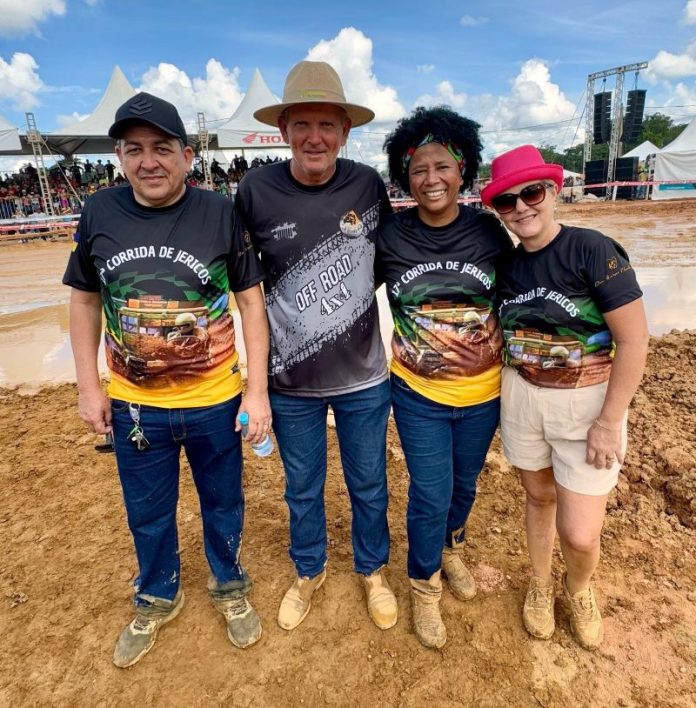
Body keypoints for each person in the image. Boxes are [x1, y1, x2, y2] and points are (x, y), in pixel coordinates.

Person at [63, 92, 271, 667]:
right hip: (135, 407)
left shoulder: (220, 212)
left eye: (161, 148)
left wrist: (256, 392)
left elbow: (251, 303)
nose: (148, 161)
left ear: (186, 156)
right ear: (120, 158)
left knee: (223, 502)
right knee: (147, 511)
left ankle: (228, 583)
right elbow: (84, 301)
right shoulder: (99, 211)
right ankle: (158, 594)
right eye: (134, 150)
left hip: (215, 400)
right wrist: (88, 386)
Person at [235, 60, 397, 632]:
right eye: (302, 124)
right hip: (290, 383)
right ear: (283, 129)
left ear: (345, 131)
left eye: (327, 124)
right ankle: (309, 570)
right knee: (301, 488)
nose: (314, 137)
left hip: (364, 376)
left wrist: (339, 309)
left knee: (368, 482)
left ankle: (373, 571)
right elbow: (244, 285)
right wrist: (257, 377)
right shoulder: (255, 190)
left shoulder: (367, 184)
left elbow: (384, 262)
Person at [481, 145, 649, 650]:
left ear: (553, 191)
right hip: (522, 396)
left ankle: (577, 588)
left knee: (580, 532)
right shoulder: (506, 266)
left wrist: (610, 421)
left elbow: (634, 340)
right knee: (538, 496)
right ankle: (538, 583)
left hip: (587, 403)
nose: (521, 208)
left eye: (531, 193)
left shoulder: (592, 250)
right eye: (506, 201)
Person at [376, 106, 514, 648]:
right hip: (418, 394)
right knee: (430, 492)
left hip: (484, 394)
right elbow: (351, 297)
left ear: (463, 171)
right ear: (404, 176)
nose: (431, 179)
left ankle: (451, 548)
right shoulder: (390, 237)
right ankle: (423, 584)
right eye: (418, 170)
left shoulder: (488, 232)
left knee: (465, 485)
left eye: (442, 167)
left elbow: (522, 291)